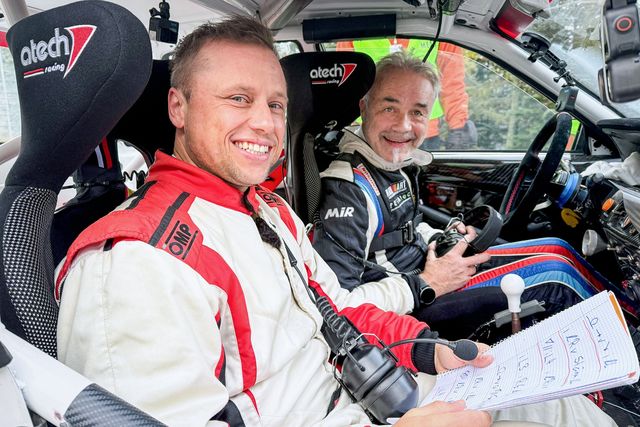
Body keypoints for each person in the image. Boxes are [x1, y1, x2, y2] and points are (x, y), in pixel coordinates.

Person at [55, 17, 615, 427]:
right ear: (178, 107)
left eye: (276, 105)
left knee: (559, 405)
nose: (264, 123)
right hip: (349, 411)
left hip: (367, 390)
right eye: (238, 99)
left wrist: (426, 348)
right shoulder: (136, 261)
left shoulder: (267, 209)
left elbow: (338, 309)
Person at [312, 51, 621, 340]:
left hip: (427, 273)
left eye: (417, 112)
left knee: (556, 248)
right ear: (364, 107)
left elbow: (407, 230)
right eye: (389, 108)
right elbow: (337, 305)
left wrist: (443, 239)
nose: (403, 126)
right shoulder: (347, 190)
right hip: (413, 307)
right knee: (557, 280)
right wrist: (427, 283)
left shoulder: (394, 164)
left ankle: (626, 319)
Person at [336, 39, 477, 150]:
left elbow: (451, 82)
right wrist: (346, 127)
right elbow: (346, 88)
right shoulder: (353, 30)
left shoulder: (438, 30)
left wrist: (458, 127)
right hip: (370, 134)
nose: (402, 126)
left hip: (423, 136)